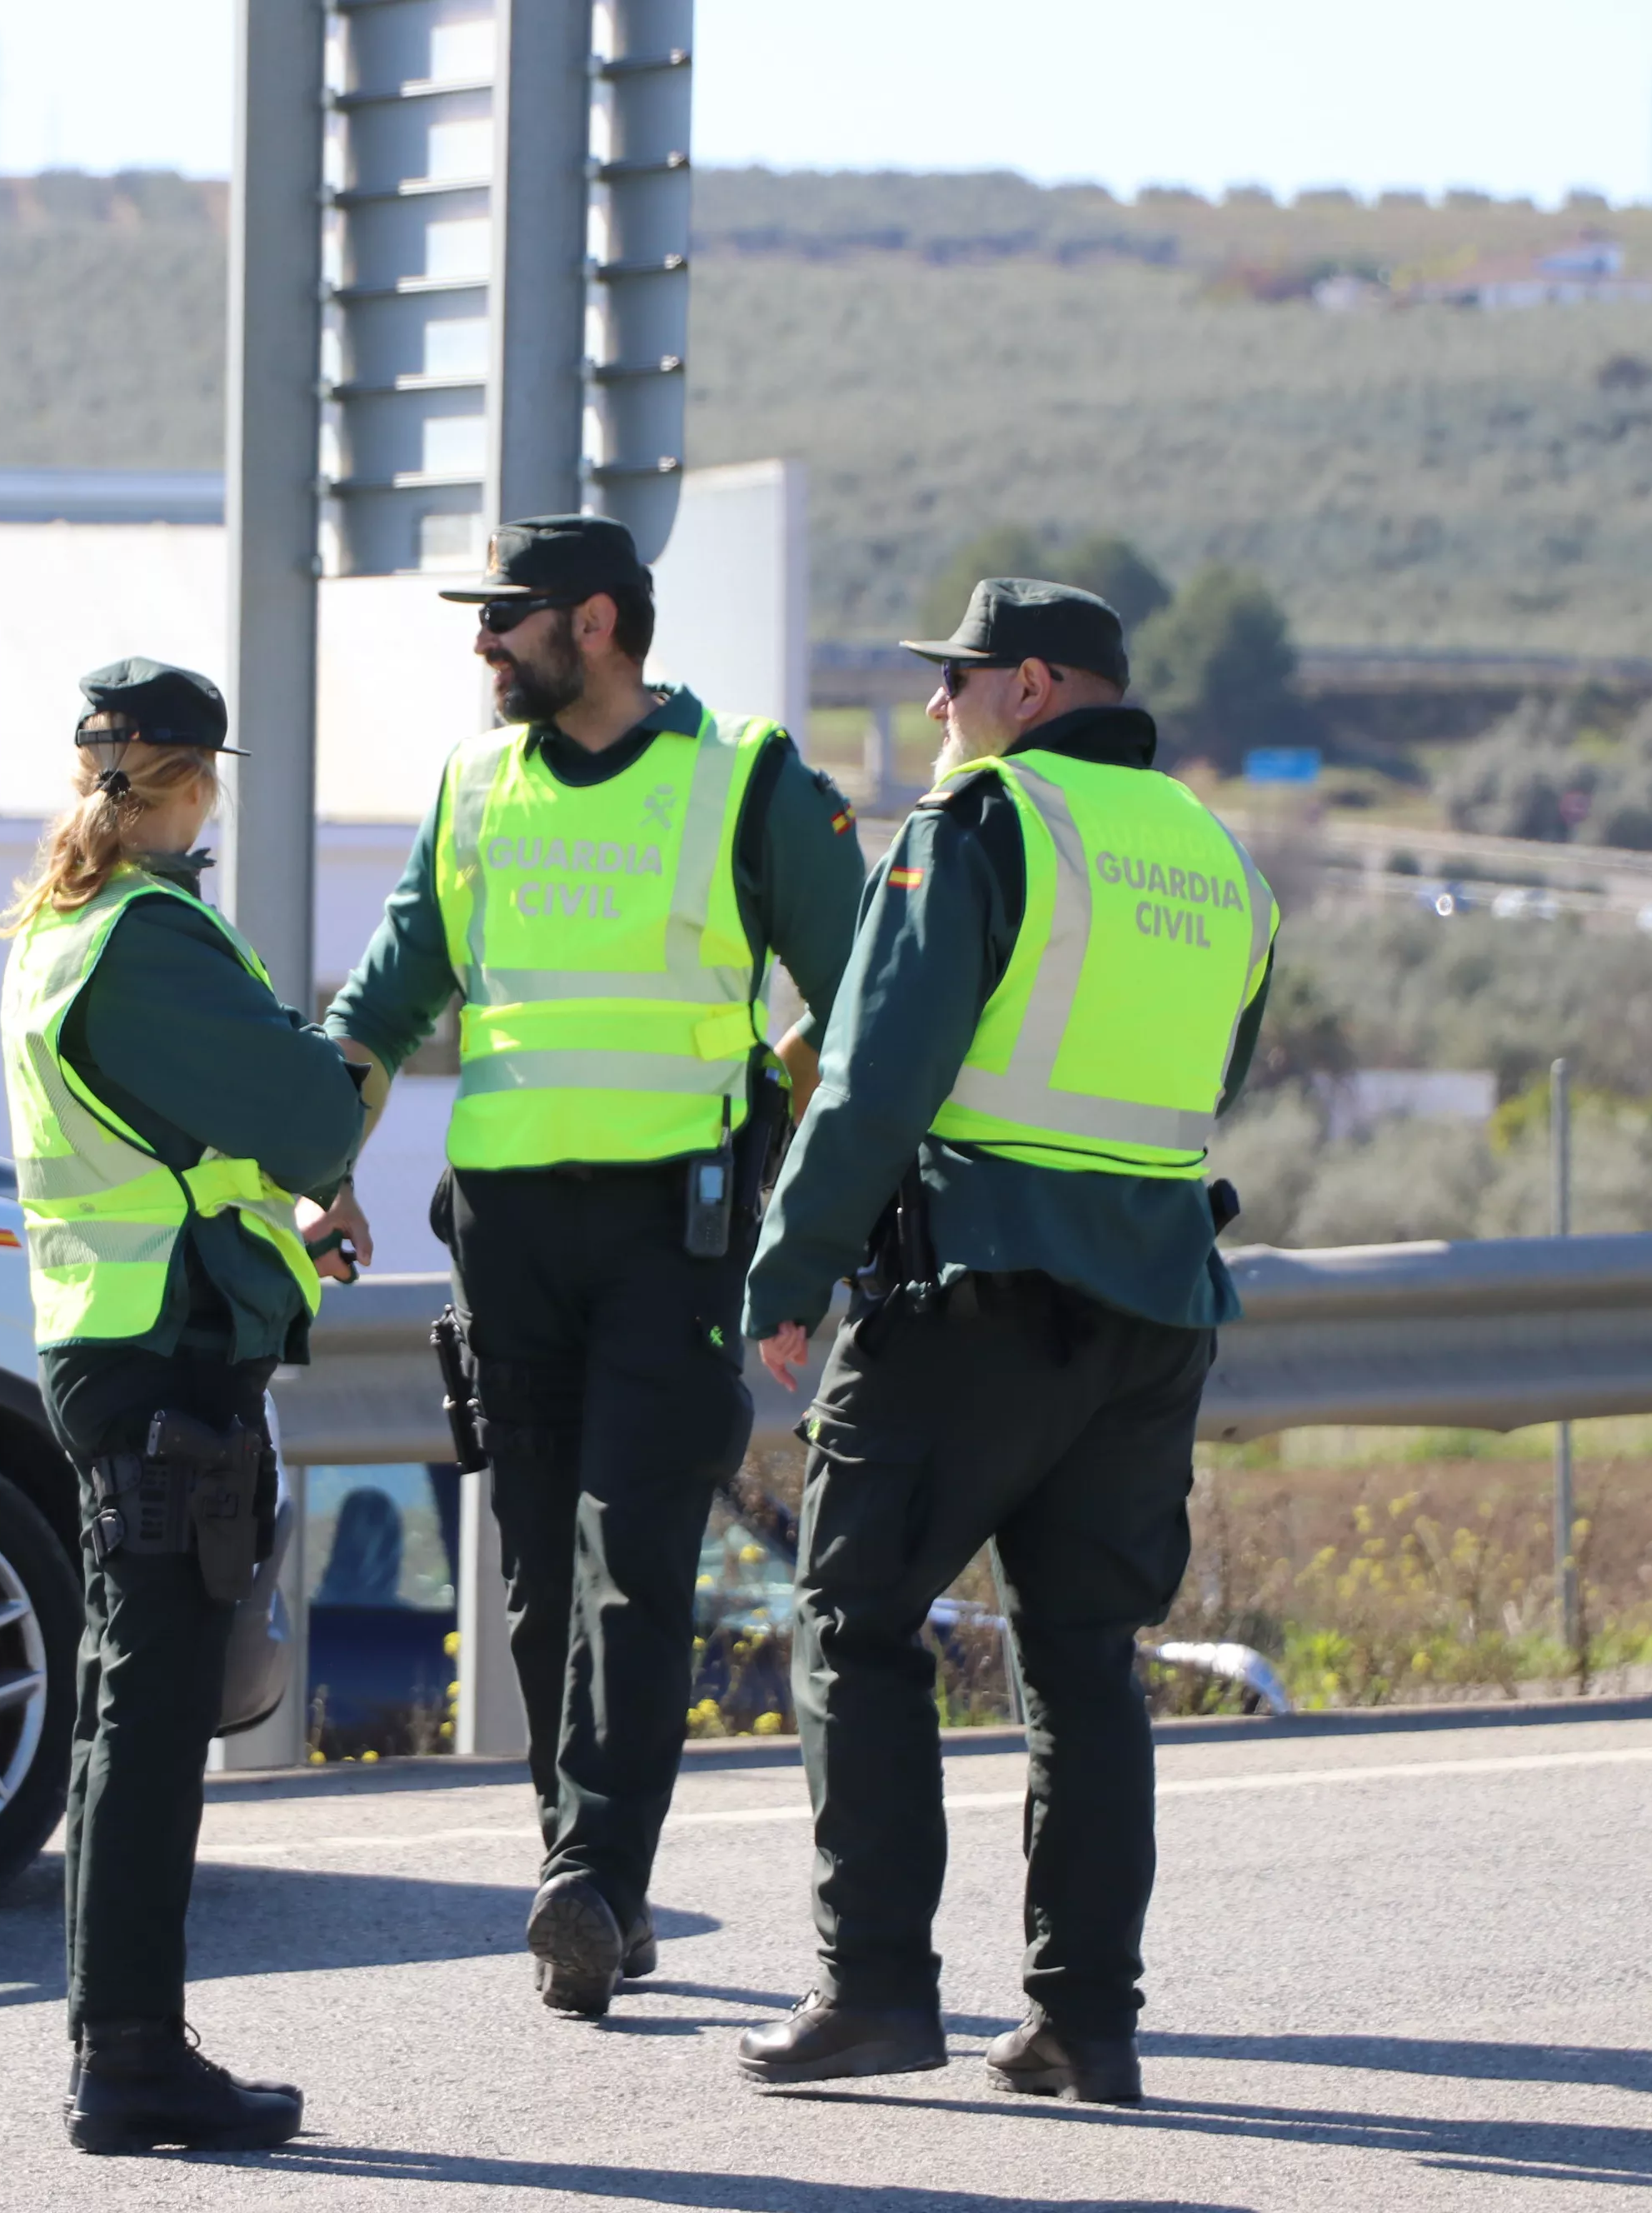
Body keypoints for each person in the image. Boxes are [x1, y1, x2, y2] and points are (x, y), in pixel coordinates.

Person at [730, 579, 1278, 2103]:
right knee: (1086, 1658)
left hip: (972, 1296)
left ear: (1030, 686)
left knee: (852, 1619)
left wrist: (793, 1270)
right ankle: (1085, 2026)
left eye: (954, 681)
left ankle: (878, 1991)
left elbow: (874, 1077)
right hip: (1155, 1309)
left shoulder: (983, 826)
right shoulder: (1221, 864)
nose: (934, 710)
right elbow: (1209, 1068)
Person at [317, 515, 866, 2016]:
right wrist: (321, 1164)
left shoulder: (744, 778)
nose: (483, 642)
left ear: (600, 624)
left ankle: (601, 1877)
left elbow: (867, 985)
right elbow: (385, 995)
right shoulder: (476, 785)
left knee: (636, 1559)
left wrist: (778, 1105)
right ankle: (584, 1883)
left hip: (671, 1233)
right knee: (540, 1572)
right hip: (507, 1233)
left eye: (510, 617)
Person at [0, 656, 371, 2154]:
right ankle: (131, 2057)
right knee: (151, 1715)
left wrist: (296, 1206)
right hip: (167, 1357)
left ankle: (122, 2041)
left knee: (127, 1702)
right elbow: (307, 1104)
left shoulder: (60, 926)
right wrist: (314, 1088)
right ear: (197, 781)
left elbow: (193, 1143)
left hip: (111, 1338)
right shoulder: (153, 936)